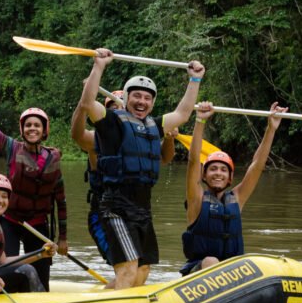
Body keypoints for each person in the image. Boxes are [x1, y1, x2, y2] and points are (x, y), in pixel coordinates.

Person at [78, 48, 205, 289]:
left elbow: (183, 113)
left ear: (153, 103)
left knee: (143, 271)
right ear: (125, 99)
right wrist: (99, 66)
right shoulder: (112, 122)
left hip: (142, 208)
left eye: (147, 98)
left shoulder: (154, 126)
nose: (141, 102)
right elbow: (87, 102)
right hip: (116, 206)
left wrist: (195, 79)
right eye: (136, 96)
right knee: (128, 269)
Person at [0, 85, 67, 291]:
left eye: (37, 125)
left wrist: (63, 237)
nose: (32, 128)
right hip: (10, 221)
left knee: (42, 278)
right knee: (7, 269)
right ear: (22, 129)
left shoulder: (54, 158)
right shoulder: (11, 147)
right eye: (28, 125)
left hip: (38, 225)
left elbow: (60, 199)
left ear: (44, 131)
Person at [70, 88, 177, 287]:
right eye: (112, 108)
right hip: (106, 212)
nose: (118, 114)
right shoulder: (98, 138)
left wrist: (169, 138)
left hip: (134, 209)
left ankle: (113, 300)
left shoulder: (138, 137)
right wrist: (85, 101)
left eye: (121, 107)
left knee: (139, 271)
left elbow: (164, 158)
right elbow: (77, 134)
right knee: (127, 269)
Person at [180, 101, 287, 275]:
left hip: (231, 274)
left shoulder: (237, 198)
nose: (218, 173)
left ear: (230, 178)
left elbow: (257, 165)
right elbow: (193, 161)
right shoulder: (196, 198)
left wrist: (271, 129)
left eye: (223, 170)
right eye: (213, 169)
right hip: (199, 271)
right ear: (203, 175)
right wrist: (200, 121)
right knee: (211, 261)